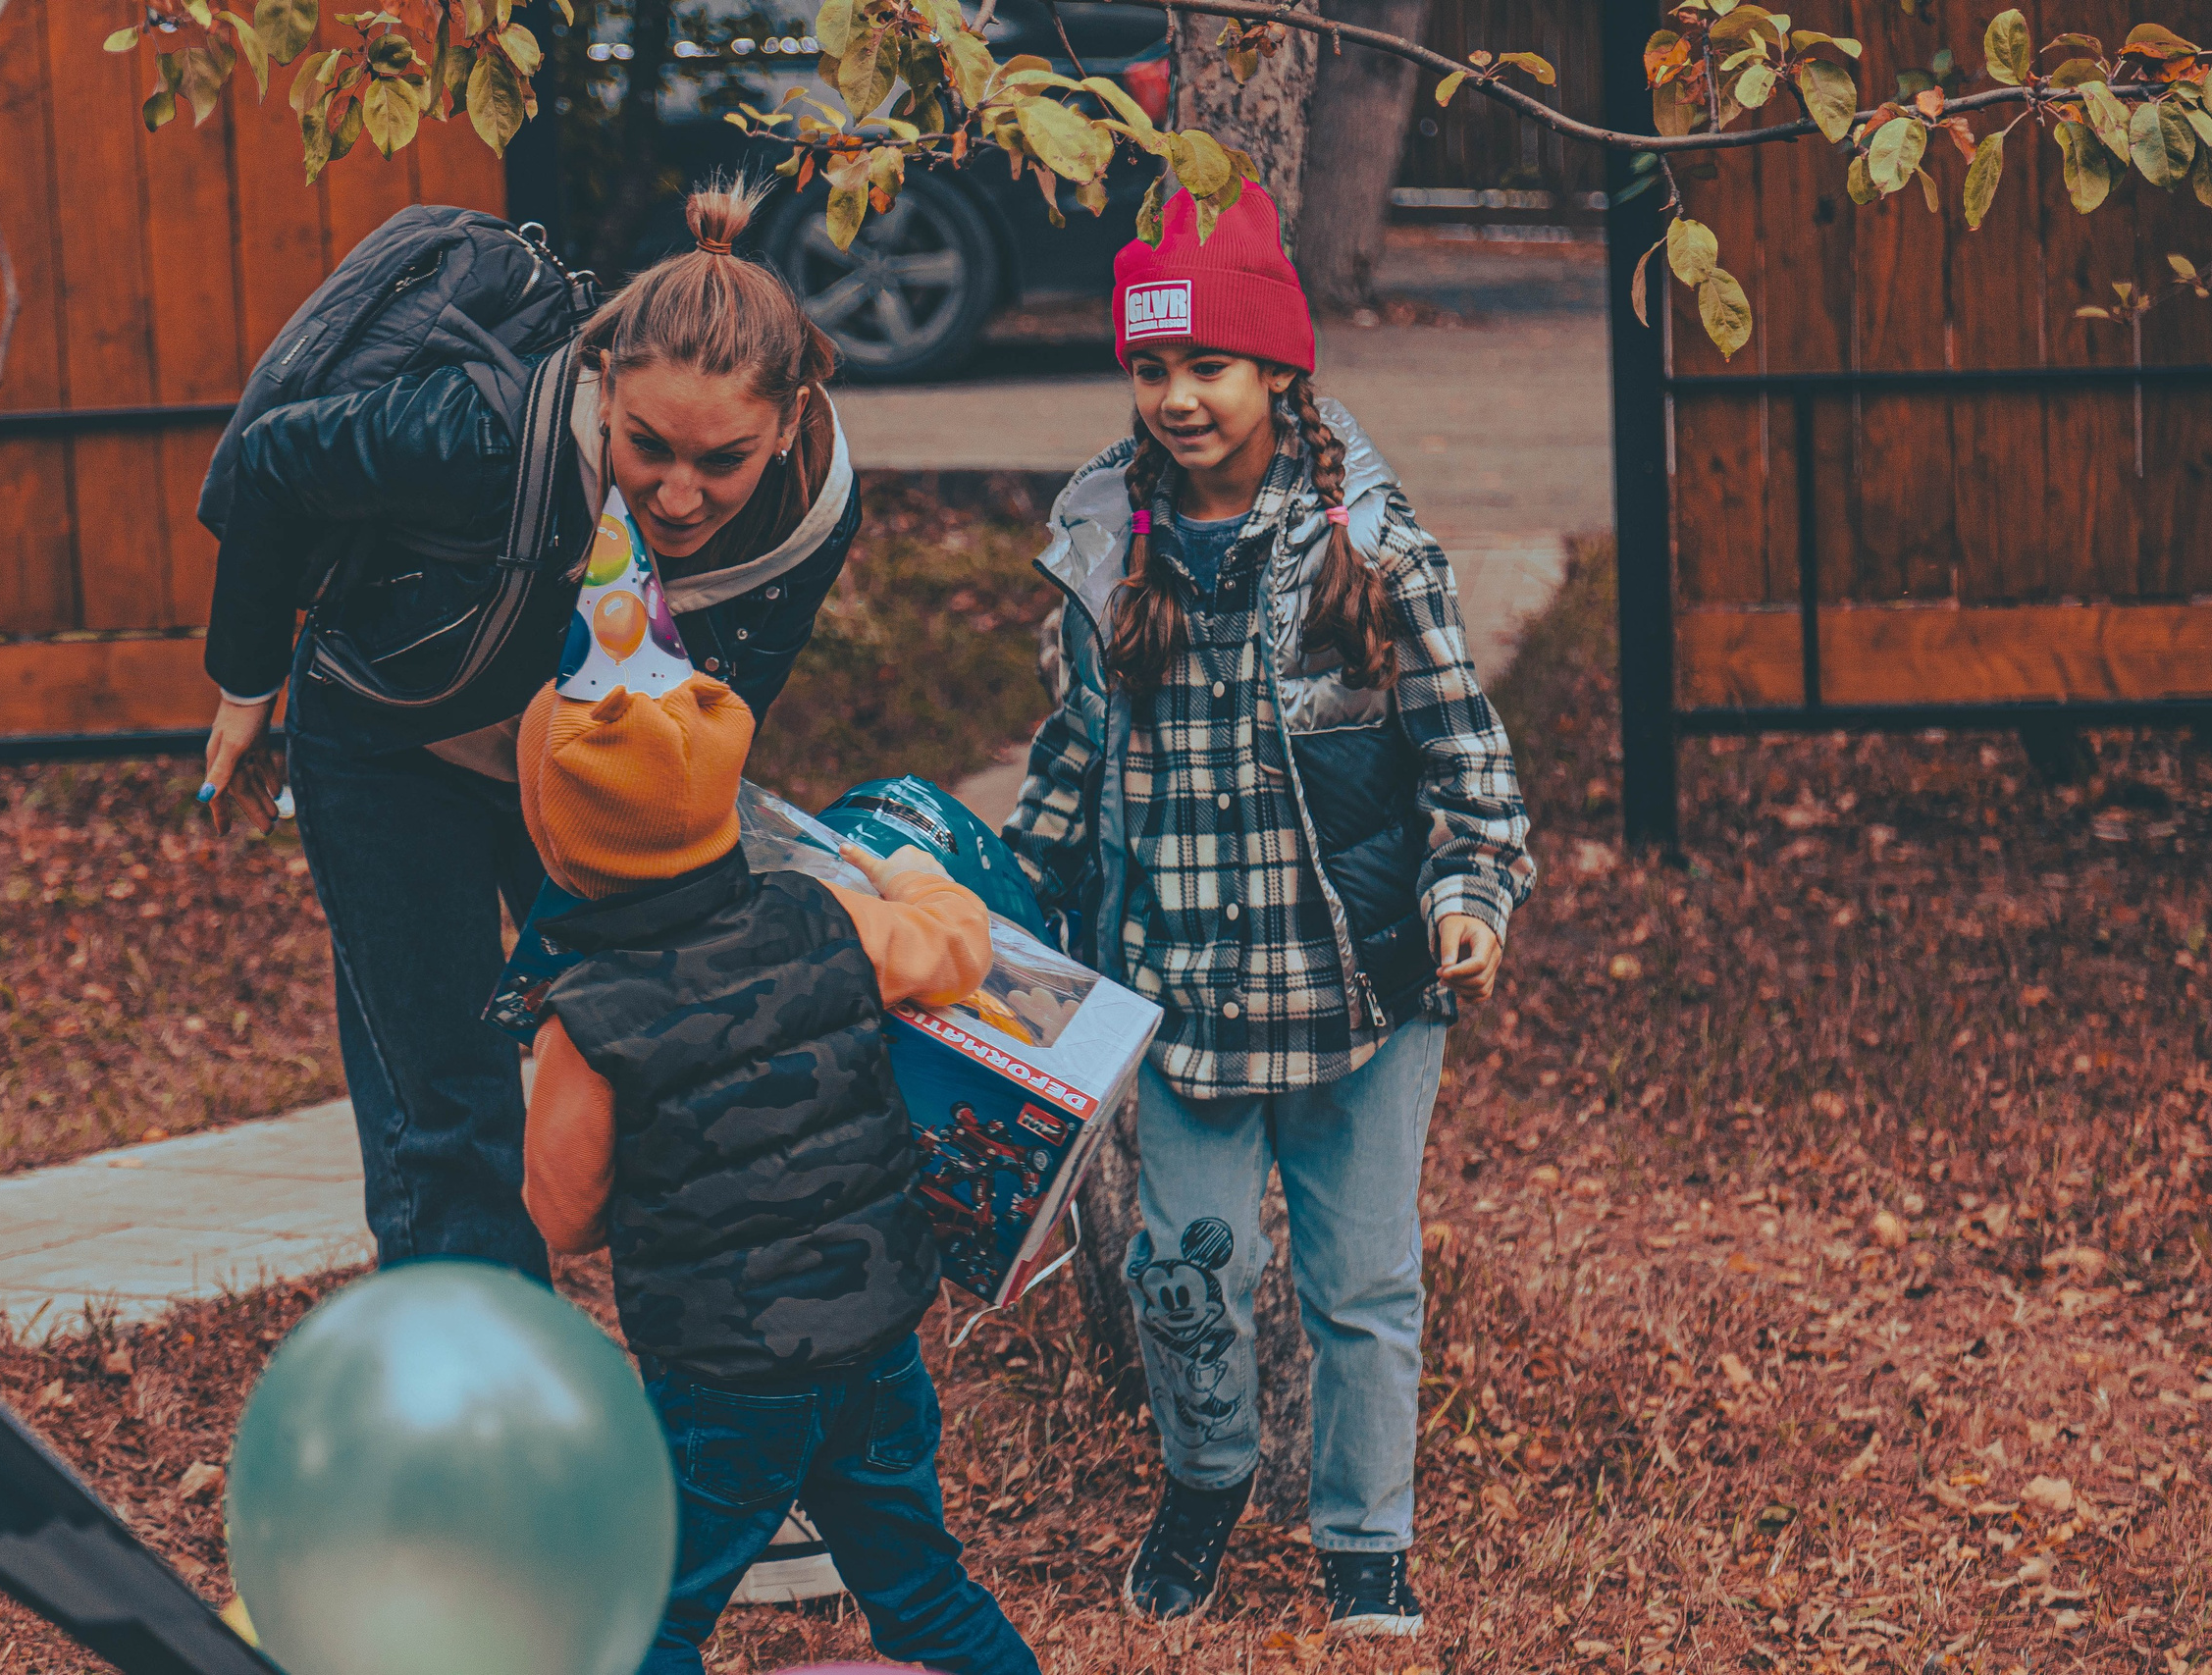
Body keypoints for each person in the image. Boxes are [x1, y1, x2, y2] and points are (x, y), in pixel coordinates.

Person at [1001, 182, 1535, 1641]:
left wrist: (1469, 896)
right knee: (1184, 1274)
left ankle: (1366, 1539)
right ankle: (1207, 1478)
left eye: (1209, 364)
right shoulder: (1104, 552)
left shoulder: (1373, 550)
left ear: (1279, 367)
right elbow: (1070, 762)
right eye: (1150, 365)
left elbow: (1470, 767)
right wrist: (1008, 908)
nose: (1178, 396)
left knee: (1362, 1281)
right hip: (1180, 995)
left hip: (1361, 990)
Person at [193, 180, 856, 1282]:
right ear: (606, 387)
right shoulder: (481, 433)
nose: (677, 495)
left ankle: (698, 1361)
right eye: (647, 446)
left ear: (789, 424)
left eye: (722, 461)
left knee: (660, 1070)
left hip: (590, 773)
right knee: (449, 1104)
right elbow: (272, 463)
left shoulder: (813, 515)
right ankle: (473, 1367)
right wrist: (245, 686)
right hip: (390, 744)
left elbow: (724, 717)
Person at [514, 669, 1041, 1675]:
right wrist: (903, 875)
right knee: (922, 1593)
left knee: (646, 1619)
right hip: (875, 1349)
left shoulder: (585, 1019)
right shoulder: (824, 916)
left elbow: (565, 1217)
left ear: (556, 834)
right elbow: (959, 945)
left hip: (723, 1379)